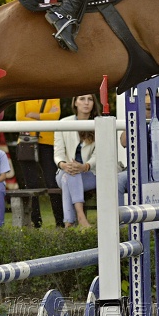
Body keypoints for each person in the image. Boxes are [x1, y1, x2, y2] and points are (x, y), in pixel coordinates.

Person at [118, 94, 159, 198]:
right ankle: (119, 210)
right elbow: (124, 142)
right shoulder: (134, 113)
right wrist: (138, 116)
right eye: (145, 95)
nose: (148, 99)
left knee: (158, 185)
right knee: (118, 181)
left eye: (151, 94)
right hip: (136, 168)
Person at [16, 98, 64, 228]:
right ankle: (35, 222)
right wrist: (44, 118)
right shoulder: (22, 95)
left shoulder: (53, 95)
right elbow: (20, 118)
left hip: (48, 144)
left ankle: (60, 222)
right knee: (31, 184)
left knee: (52, 182)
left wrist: (34, 116)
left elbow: (55, 117)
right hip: (27, 142)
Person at [54, 94, 100, 228]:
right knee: (70, 173)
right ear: (75, 103)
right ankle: (81, 217)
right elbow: (58, 153)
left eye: (90, 99)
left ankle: (69, 222)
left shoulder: (100, 124)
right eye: (82, 99)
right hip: (65, 170)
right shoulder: (63, 123)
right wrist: (63, 165)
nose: (86, 102)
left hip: (90, 173)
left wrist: (85, 166)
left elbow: (98, 154)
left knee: (68, 177)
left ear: (94, 103)